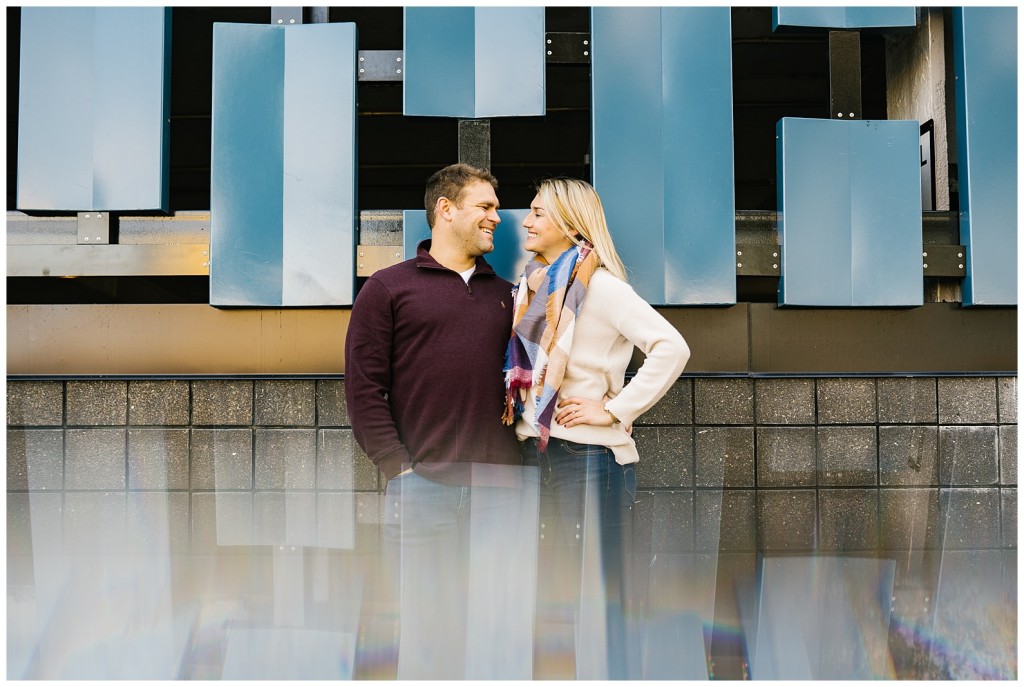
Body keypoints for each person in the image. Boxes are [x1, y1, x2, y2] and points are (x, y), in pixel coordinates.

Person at [345, 163, 537, 679]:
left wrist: (610, 410)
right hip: (423, 488)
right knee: (427, 627)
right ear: (446, 211)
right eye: (487, 206)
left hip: (502, 486)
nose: (499, 217)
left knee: (500, 625)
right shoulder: (388, 289)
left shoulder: (510, 296)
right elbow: (364, 388)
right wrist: (400, 470)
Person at [503, 177, 691, 679]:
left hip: (588, 460)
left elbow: (671, 348)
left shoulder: (603, 287)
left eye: (538, 213)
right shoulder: (533, 285)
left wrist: (615, 409)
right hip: (538, 454)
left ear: (568, 222)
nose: (526, 221)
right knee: (551, 592)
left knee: (601, 594)